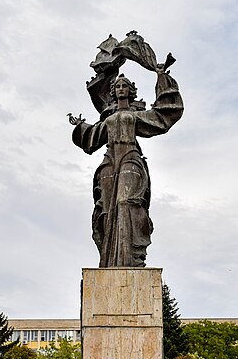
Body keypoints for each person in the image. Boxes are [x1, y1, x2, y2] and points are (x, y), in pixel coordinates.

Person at [69, 66, 183, 267]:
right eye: (118, 86)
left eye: (125, 86)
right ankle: (108, 262)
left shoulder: (136, 115)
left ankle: (131, 258)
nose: (121, 88)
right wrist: (80, 126)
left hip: (130, 157)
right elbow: (92, 138)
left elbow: (163, 117)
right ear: (113, 92)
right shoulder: (110, 118)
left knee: (126, 202)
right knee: (105, 210)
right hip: (109, 161)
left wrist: (162, 77)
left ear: (131, 91)